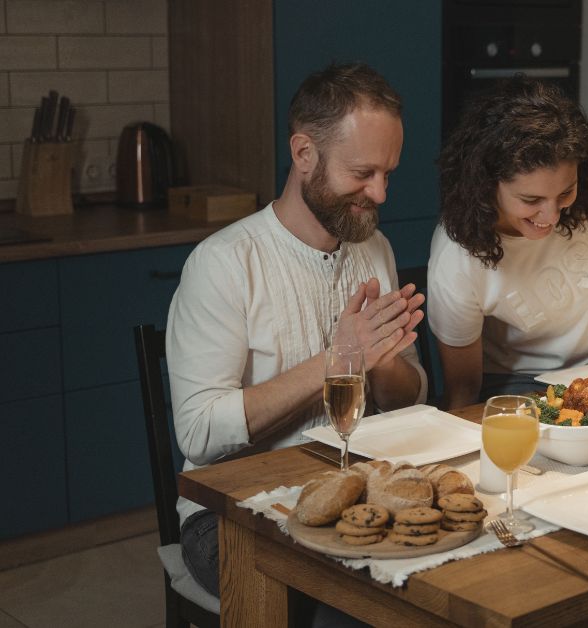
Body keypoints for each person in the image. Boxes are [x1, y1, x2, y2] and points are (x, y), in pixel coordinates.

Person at [166, 62, 427, 597]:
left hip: (352, 491)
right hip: (227, 514)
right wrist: (337, 361)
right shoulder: (224, 264)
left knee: (441, 569)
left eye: (388, 173)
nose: (380, 194)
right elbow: (197, 433)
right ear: (304, 153)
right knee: (361, 597)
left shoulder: (374, 249)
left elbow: (407, 400)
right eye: (362, 173)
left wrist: (385, 364)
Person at [427, 77, 588, 409]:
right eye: (531, 199)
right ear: (486, 185)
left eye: (565, 193)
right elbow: (463, 390)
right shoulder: (456, 257)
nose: (550, 216)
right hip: (529, 382)